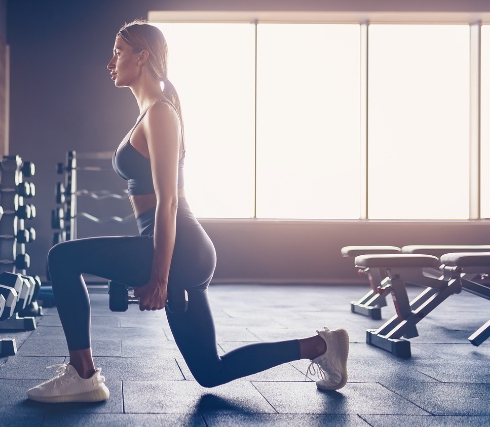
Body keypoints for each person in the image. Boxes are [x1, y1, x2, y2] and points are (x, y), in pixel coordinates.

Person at [26, 19, 349, 404]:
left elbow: (169, 201)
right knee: (210, 371)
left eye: (117, 52)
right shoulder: (149, 113)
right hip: (175, 247)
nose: (110, 62)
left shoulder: (160, 114)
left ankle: (83, 374)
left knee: (62, 258)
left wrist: (159, 277)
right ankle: (320, 346)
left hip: (180, 245)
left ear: (142, 56)